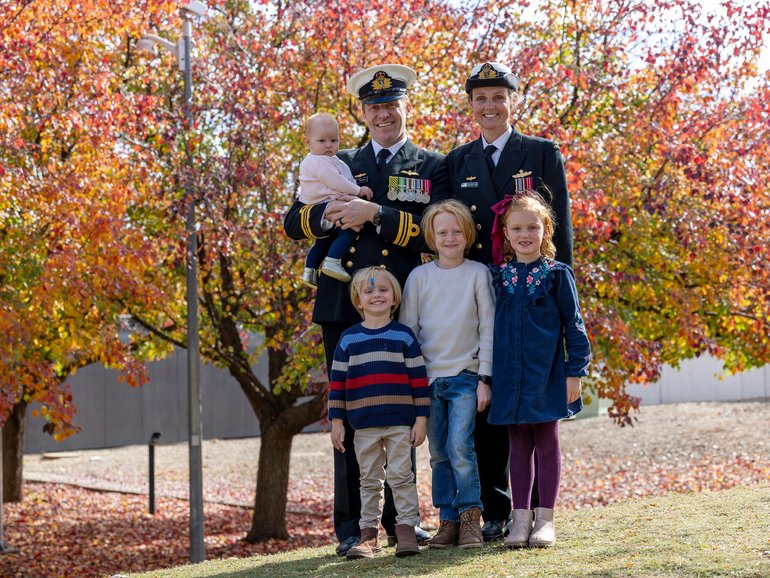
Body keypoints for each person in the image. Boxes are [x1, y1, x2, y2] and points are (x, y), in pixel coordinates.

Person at [283, 63, 448, 555]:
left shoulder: (431, 164)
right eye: (374, 107)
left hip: (399, 305)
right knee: (350, 417)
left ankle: (404, 523)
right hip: (342, 306)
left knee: (399, 414)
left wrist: (375, 213)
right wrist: (332, 212)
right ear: (363, 112)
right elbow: (294, 220)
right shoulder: (336, 158)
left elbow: (439, 230)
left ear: (405, 107)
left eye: (390, 105)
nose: (382, 114)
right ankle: (353, 529)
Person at [446, 61, 575, 542]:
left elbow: (559, 229)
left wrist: (563, 306)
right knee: (488, 404)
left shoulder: (541, 153)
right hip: (481, 295)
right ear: (471, 106)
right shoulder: (456, 162)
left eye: (498, 97)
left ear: (512, 101)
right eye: (480, 99)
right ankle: (501, 510)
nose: (489, 106)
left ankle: (542, 515)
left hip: (534, 297)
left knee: (539, 411)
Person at [487, 191, 590, 548]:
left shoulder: (558, 275)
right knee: (517, 445)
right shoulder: (497, 276)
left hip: (546, 374)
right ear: (507, 231)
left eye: (532, 226)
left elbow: (573, 327)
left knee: (546, 441)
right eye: (517, 228)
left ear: (546, 230)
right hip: (509, 376)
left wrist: (574, 373)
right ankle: (520, 520)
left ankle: (545, 519)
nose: (524, 234)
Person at [399, 199, 494, 550]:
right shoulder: (419, 277)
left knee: (460, 446)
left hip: (467, 376)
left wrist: (485, 378)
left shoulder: (477, 273)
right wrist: (413, 386)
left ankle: (471, 516)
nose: (450, 237)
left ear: (467, 234)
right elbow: (409, 333)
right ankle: (448, 520)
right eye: (442, 232)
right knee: (438, 452)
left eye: (456, 231)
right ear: (431, 237)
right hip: (428, 381)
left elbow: (488, 327)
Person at [328, 267, 429, 559]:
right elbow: (337, 385)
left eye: (383, 290)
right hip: (363, 425)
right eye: (369, 291)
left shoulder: (404, 337)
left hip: (400, 423)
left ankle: (406, 528)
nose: (376, 295)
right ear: (358, 300)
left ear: (394, 297)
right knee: (369, 480)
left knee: (401, 476)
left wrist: (421, 418)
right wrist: (337, 421)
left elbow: (418, 381)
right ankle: (368, 535)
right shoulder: (348, 340)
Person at [298, 112, 374, 286]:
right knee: (349, 231)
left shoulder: (325, 159)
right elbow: (336, 181)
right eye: (322, 141)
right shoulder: (320, 162)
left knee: (322, 242)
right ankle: (333, 261)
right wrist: (358, 190)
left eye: (333, 141)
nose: (328, 145)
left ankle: (309, 271)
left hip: (324, 202)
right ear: (307, 142)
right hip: (327, 201)